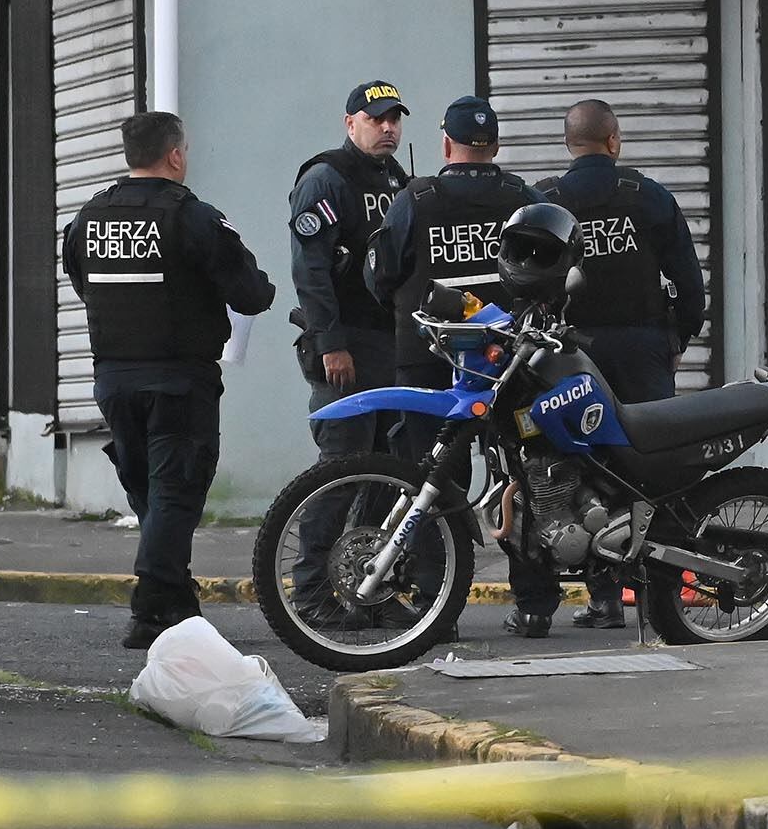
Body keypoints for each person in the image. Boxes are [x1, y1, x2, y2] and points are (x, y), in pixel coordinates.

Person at [61, 110, 276, 650]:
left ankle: (177, 602)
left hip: (114, 378)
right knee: (176, 493)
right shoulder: (194, 218)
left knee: (153, 495)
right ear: (175, 155)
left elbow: (84, 283)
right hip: (179, 379)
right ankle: (151, 605)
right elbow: (251, 294)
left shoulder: (89, 217)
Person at [365, 94, 544, 637]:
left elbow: (379, 274)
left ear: (446, 144)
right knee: (525, 476)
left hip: (429, 361)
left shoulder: (415, 198)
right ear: (496, 145)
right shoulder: (521, 198)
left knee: (431, 478)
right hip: (509, 362)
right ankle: (534, 603)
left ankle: (433, 606)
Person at [536, 97, 707, 629]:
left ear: (569, 144)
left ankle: (604, 599)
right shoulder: (648, 195)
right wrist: (680, 335)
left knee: (581, 472)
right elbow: (688, 278)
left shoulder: (546, 201)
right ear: (614, 140)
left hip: (570, 356)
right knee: (655, 467)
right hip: (642, 349)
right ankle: (664, 594)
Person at [284, 81, 413, 627]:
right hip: (347, 347)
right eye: (376, 118)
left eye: (394, 119)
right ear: (350, 122)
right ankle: (311, 592)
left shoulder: (397, 179)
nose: (388, 128)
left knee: (387, 474)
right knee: (339, 474)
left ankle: (370, 589)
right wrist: (331, 343)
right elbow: (310, 271)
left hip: (391, 345)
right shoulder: (327, 178)